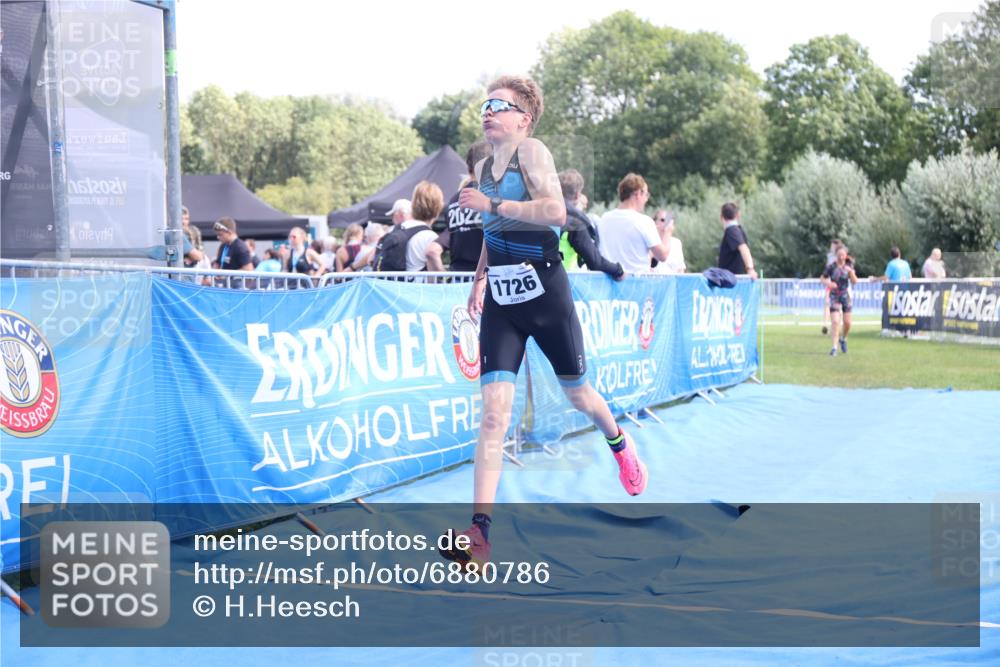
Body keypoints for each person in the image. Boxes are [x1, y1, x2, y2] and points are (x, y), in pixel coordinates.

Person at [439, 75, 648, 572]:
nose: (487, 111)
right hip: (503, 302)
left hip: (546, 292)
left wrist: (493, 205)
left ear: (523, 118)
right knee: (493, 414)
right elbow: (494, 227)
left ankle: (618, 442)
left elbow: (556, 212)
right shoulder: (485, 166)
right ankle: (480, 535)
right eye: (485, 104)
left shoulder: (531, 151)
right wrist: (479, 277)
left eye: (499, 105)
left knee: (579, 394)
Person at [426, 141, 492, 272]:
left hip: (459, 280)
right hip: (485, 279)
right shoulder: (491, 195)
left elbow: (433, 250)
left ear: (468, 168)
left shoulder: (454, 200)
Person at [595, 173, 670, 275]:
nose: (646, 199)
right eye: (646, 194)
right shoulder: (644, 222)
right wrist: (667, 232)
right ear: (638, 193)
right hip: (635, 285)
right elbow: (663, 256)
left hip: (609, 283)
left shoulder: (604, 218)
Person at [558, 168, 623, 279]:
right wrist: (618, 270)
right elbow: (595, 262)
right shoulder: (575, 223)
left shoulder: (538, 213)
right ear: (578, 195)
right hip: (562, 279)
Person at [821, 244, 858, 356]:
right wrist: (829, 283)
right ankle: (834, 348)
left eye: (843, 255)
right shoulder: (831, 266)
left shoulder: (849, 265)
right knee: (835, 322)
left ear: (846, 255)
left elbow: (855, 281)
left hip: (845, 295)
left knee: (848, 323)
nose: (841, 257)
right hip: (834, 295)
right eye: (839, 255)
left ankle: (843, 338)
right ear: (836, 255)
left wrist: (851, 272)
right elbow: (822, 278)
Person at [402, 181, 442, 272]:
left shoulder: (399, 228)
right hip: (418, 285)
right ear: (437, 206)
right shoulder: (430, 237)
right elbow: (434, 276)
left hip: (395, 285)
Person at [717, 202, 758, 279]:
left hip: (732, 281)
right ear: (738, 215)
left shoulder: (732, 230)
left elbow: (743, 248)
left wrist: (750, 269)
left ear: (721, 217)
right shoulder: (738, 230)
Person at [211, 217, 254, 287]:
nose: (218, 237)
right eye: (217, 235)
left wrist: (227, 275)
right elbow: (217, 264)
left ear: (230, 232)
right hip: (225, 285)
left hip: (237, 287)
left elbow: (249, 269)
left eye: (220, 234)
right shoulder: (223, 245)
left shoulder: (240, 247)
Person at [649, 209, 686, 274]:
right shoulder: (649, 241)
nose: (666, 223)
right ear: (654, 223)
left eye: (669, 221)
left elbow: (680, 269)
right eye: (662, 220)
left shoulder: (676, 243)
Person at [821, 239, 842, 335]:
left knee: (839, 305)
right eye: (831, 246)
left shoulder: (841, 256)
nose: (831, 247)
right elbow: (827, 269)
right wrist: (826, 281)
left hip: (839, 284)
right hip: (830, 283)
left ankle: (837, 325)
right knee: (826, 303)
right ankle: (825, 324)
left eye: (833, 246)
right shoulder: (829, 256)